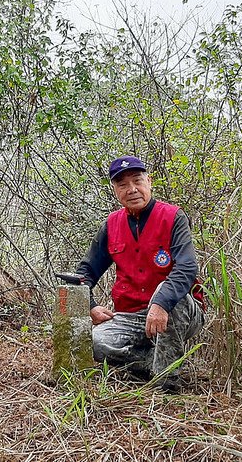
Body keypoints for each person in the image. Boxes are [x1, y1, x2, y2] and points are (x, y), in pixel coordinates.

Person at [76, 155, 204, 390]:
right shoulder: (112, 224)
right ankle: (151, 365)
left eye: (137, 180)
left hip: (180, 311)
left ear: (149, 181)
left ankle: (167, 383)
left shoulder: (173, 217)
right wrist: (91, 305)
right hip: (132, 315)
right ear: (115, 190)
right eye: (123, 185)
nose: (132, 189)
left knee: (170, 294)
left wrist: (161, 303)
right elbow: (85, 271)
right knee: (94, 342)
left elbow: (187, 268)